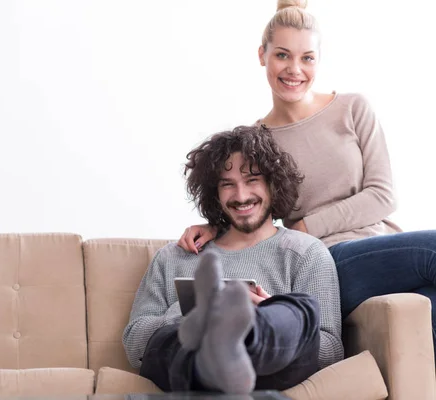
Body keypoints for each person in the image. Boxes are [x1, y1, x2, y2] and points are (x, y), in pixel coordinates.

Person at [177, 0, 436, 356]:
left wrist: (303, 225)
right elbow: (248, 206)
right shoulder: (256, 139)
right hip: (325, 263)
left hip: (383, 246)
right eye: (282, 55)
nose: (294, 69)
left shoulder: (353, 108)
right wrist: (214, 227)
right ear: (262, 55)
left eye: (307, 58)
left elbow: (383, 195)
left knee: (430, 304)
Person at [123, 126, 343, 394]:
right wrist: (189, 313)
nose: (240, 196)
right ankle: (217, 346)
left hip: (266, 365)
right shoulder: (175, 256)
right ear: (214, 192)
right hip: (191, 362)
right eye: (227, 184)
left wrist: (269, 311)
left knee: (297, 311)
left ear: (273, 184)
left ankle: (248, 337)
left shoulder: (306, 253)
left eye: (252, 180)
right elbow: (135, 345)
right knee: (178, 338)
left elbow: (330, 351)